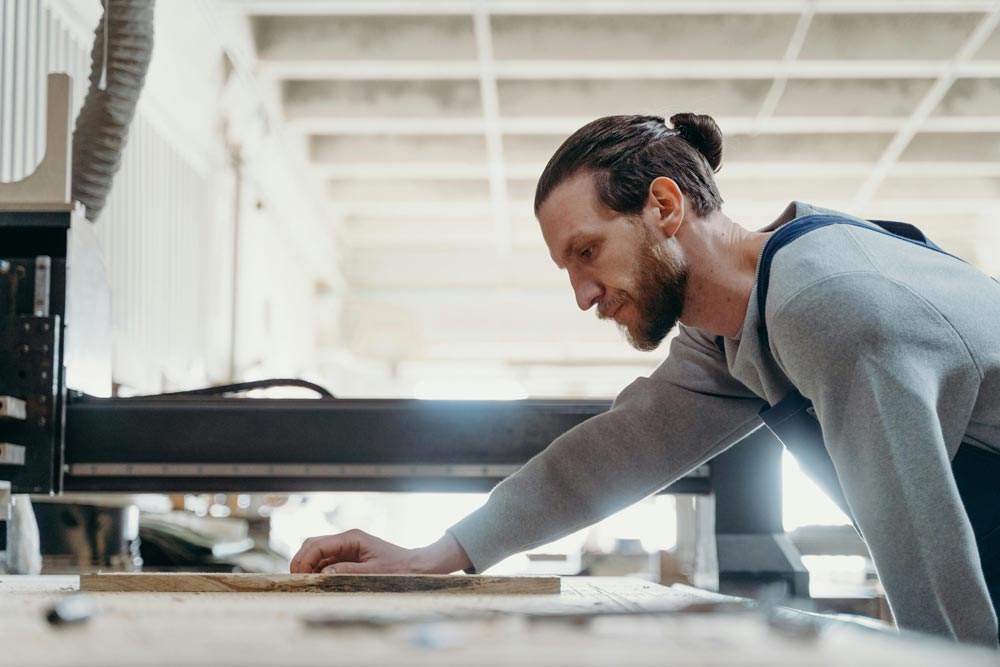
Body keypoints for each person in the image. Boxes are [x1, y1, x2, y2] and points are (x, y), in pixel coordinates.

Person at [290, 113, 1000, 647]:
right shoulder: (737, 327)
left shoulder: (828, 304)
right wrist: (435, 554)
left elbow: (926, 554)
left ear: (665, 206)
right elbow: (613, 453)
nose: (583, 295)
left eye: (587, 251)